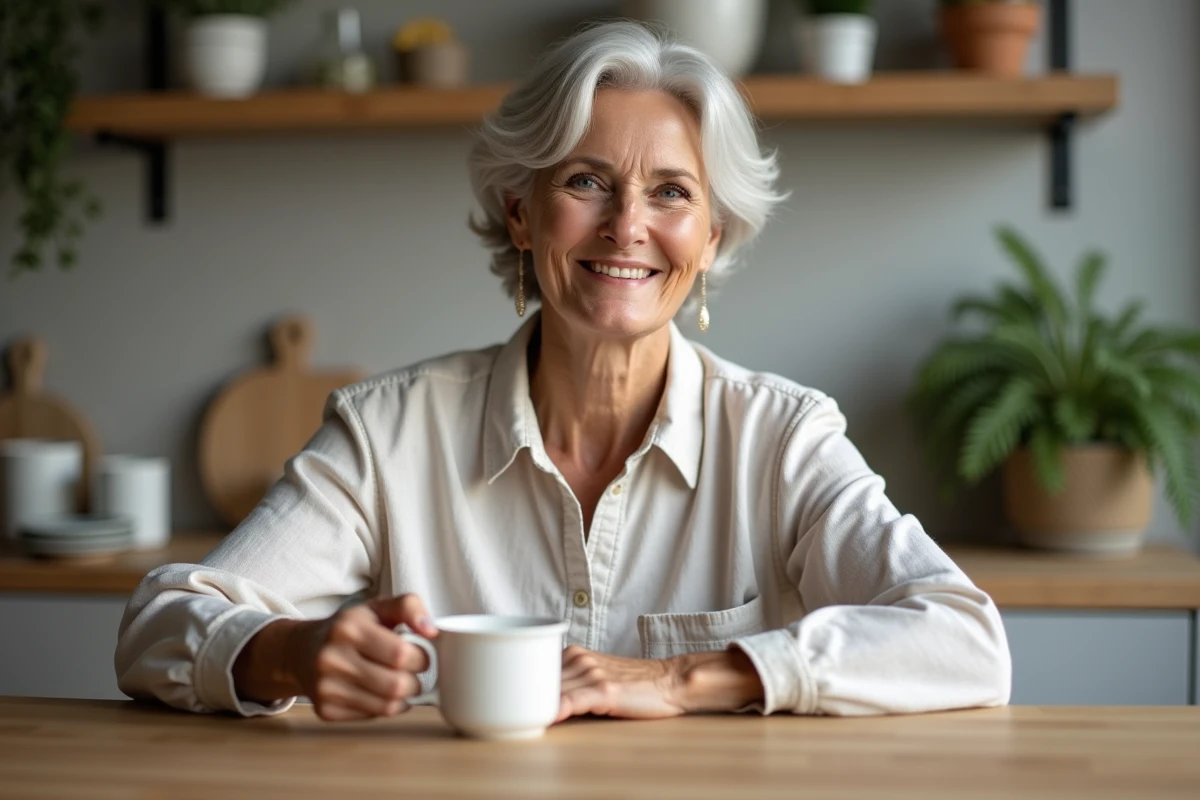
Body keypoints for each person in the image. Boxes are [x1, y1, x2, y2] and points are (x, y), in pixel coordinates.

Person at [115, 20, 1010, 723]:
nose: (627, 226)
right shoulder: (389, 434)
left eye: (671, 192)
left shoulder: (782, 439)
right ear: (520, 214)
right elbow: (157, 625)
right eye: (586, 182)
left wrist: (686, 678)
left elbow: (965, 639)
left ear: (712, 237)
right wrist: (291, 654)